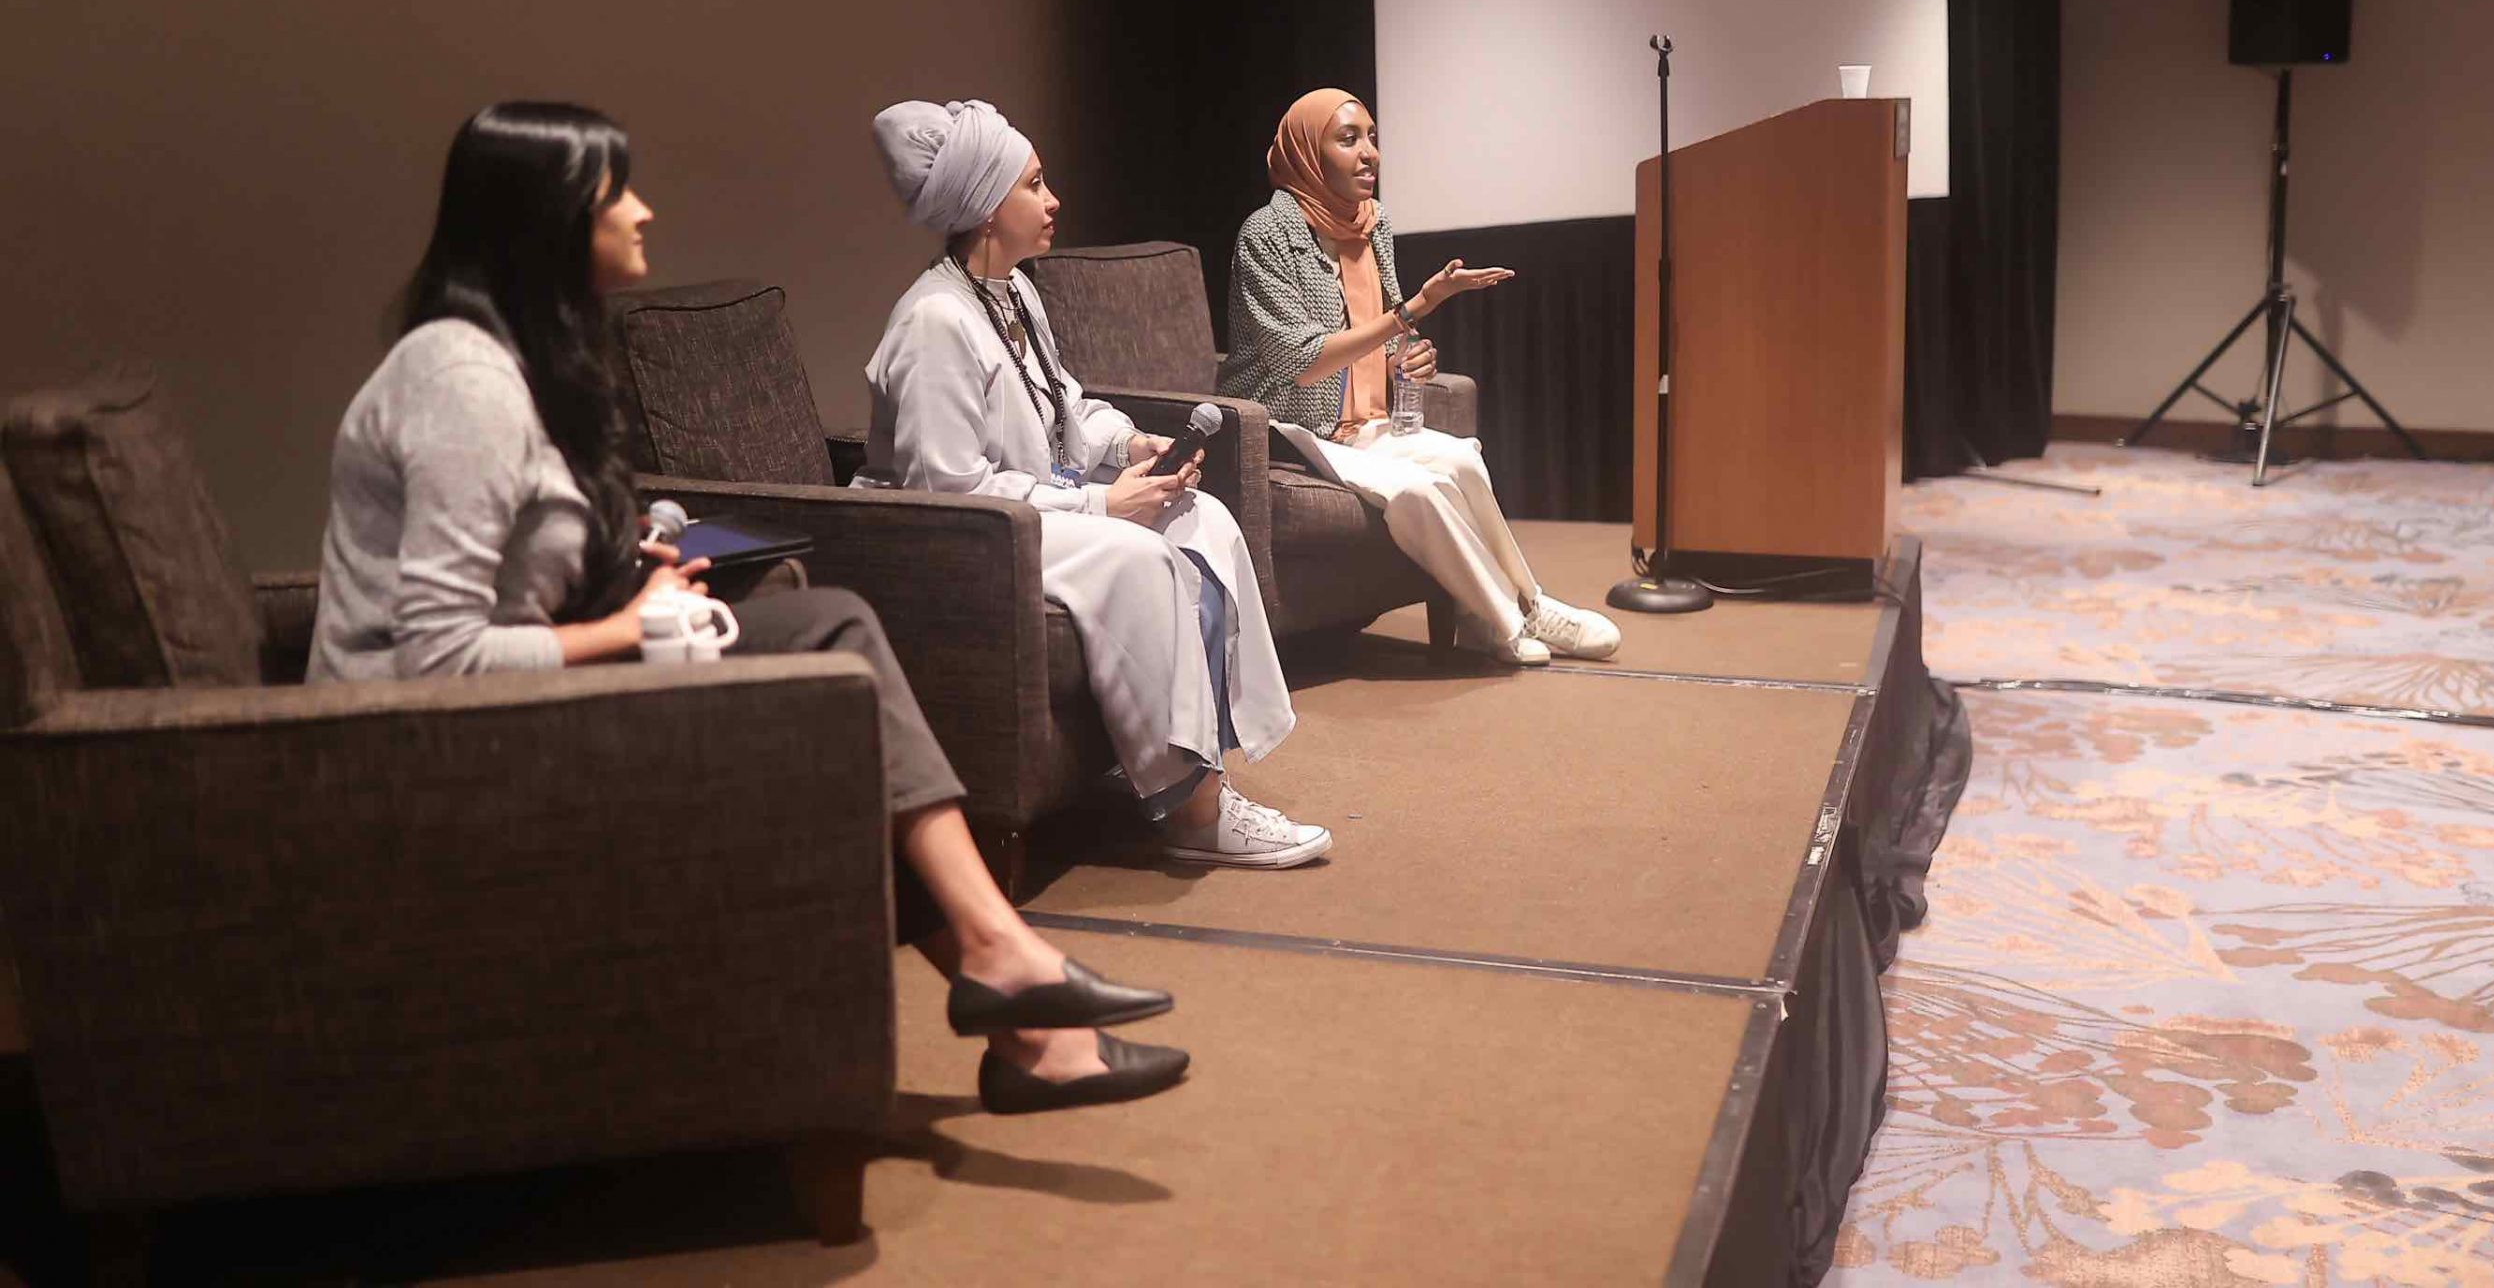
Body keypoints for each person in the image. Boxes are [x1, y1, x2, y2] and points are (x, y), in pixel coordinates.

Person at [308, 102, 1184, 1116]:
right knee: (828, 655)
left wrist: (639, 552)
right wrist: (627, 628)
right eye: (614, 191)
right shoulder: (457, 381)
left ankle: (1024, 1014)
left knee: (825, 634)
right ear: (546, 219)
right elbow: (432, 659)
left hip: (517, 702)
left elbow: (523, 556)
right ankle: (1011, 978)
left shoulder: (527, 365)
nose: (643, 210)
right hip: (420, 750)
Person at [860, 99, 1330, 869]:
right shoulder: (933, 322)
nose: (1054, 201)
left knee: (1200, 516)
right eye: (1034, 184)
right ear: (984, 205)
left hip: (1031, 510)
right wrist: (1100, 504)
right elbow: (946, 492)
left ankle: (1206, 760)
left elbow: (1066, 406)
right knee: (1139, 556)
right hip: (967, 538)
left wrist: (1133, 443)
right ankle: (1194, 811)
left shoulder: (1012, 292)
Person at [1219, 87, 1622, 667]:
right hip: (1286, 428)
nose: (1369, 154)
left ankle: (1531, 603)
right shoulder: (1266, 234)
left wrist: (1405, 356)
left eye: (1373, 138)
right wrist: (1409, 313)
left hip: (1364, 422)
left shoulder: (1371, 225)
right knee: (1416, 491)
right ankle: (1501, 622)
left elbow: (1378, 330)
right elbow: (1298, 362)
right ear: (1308, 152)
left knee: (1463, 459)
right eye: (1348, 139)